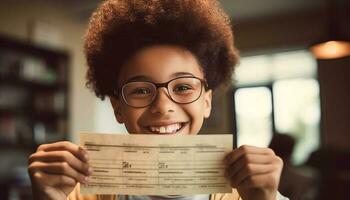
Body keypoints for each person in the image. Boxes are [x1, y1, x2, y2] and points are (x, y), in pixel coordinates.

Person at [27, 0, 285, 200]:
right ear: (118, 107)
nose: (163, 106)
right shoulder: (76, 193)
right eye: (140, 90)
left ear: (207, 101)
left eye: (183, 86)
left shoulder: (252, 193)